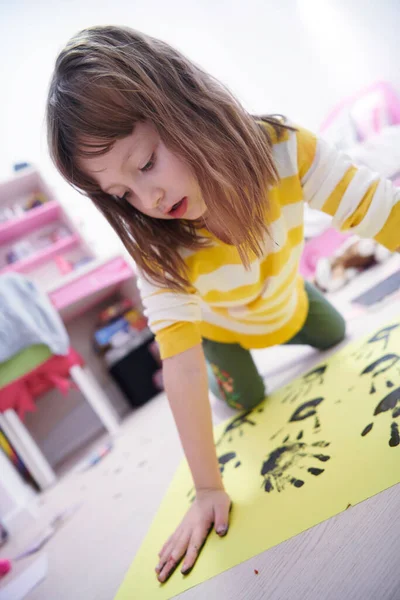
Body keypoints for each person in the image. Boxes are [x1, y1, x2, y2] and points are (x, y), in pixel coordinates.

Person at [46, 25, 399, 583]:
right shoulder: (160, 249)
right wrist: (207, 488)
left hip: (288, 304)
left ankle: (293, 309)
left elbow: (381, 210)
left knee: (335, 335)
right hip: (224, 333)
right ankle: (226, 355)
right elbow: (178, 365)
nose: (151, 201)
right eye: (124, 196)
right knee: (248, 395)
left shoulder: (286, 149)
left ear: (186, 103)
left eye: (145, 166)